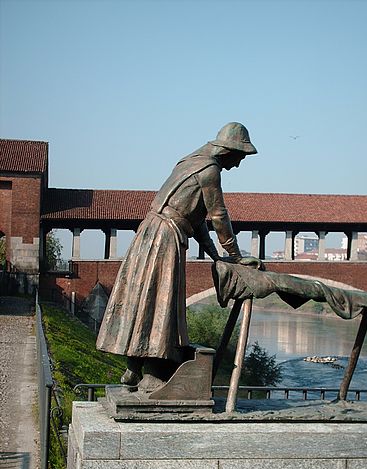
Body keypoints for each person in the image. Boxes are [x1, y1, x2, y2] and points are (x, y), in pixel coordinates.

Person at [96, 122, 263, 391]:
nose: (239, 164)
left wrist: (216, 256)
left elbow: (196, 219)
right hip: (167, 237)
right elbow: (218, 215)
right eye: (240, 157)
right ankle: (151, 373)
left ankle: (134, 369)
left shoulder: (188, 162)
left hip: (150, 231)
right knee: (162, 303)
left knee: (143, 299)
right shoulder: (209, 171)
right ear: (228, 150)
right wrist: (234, 254)